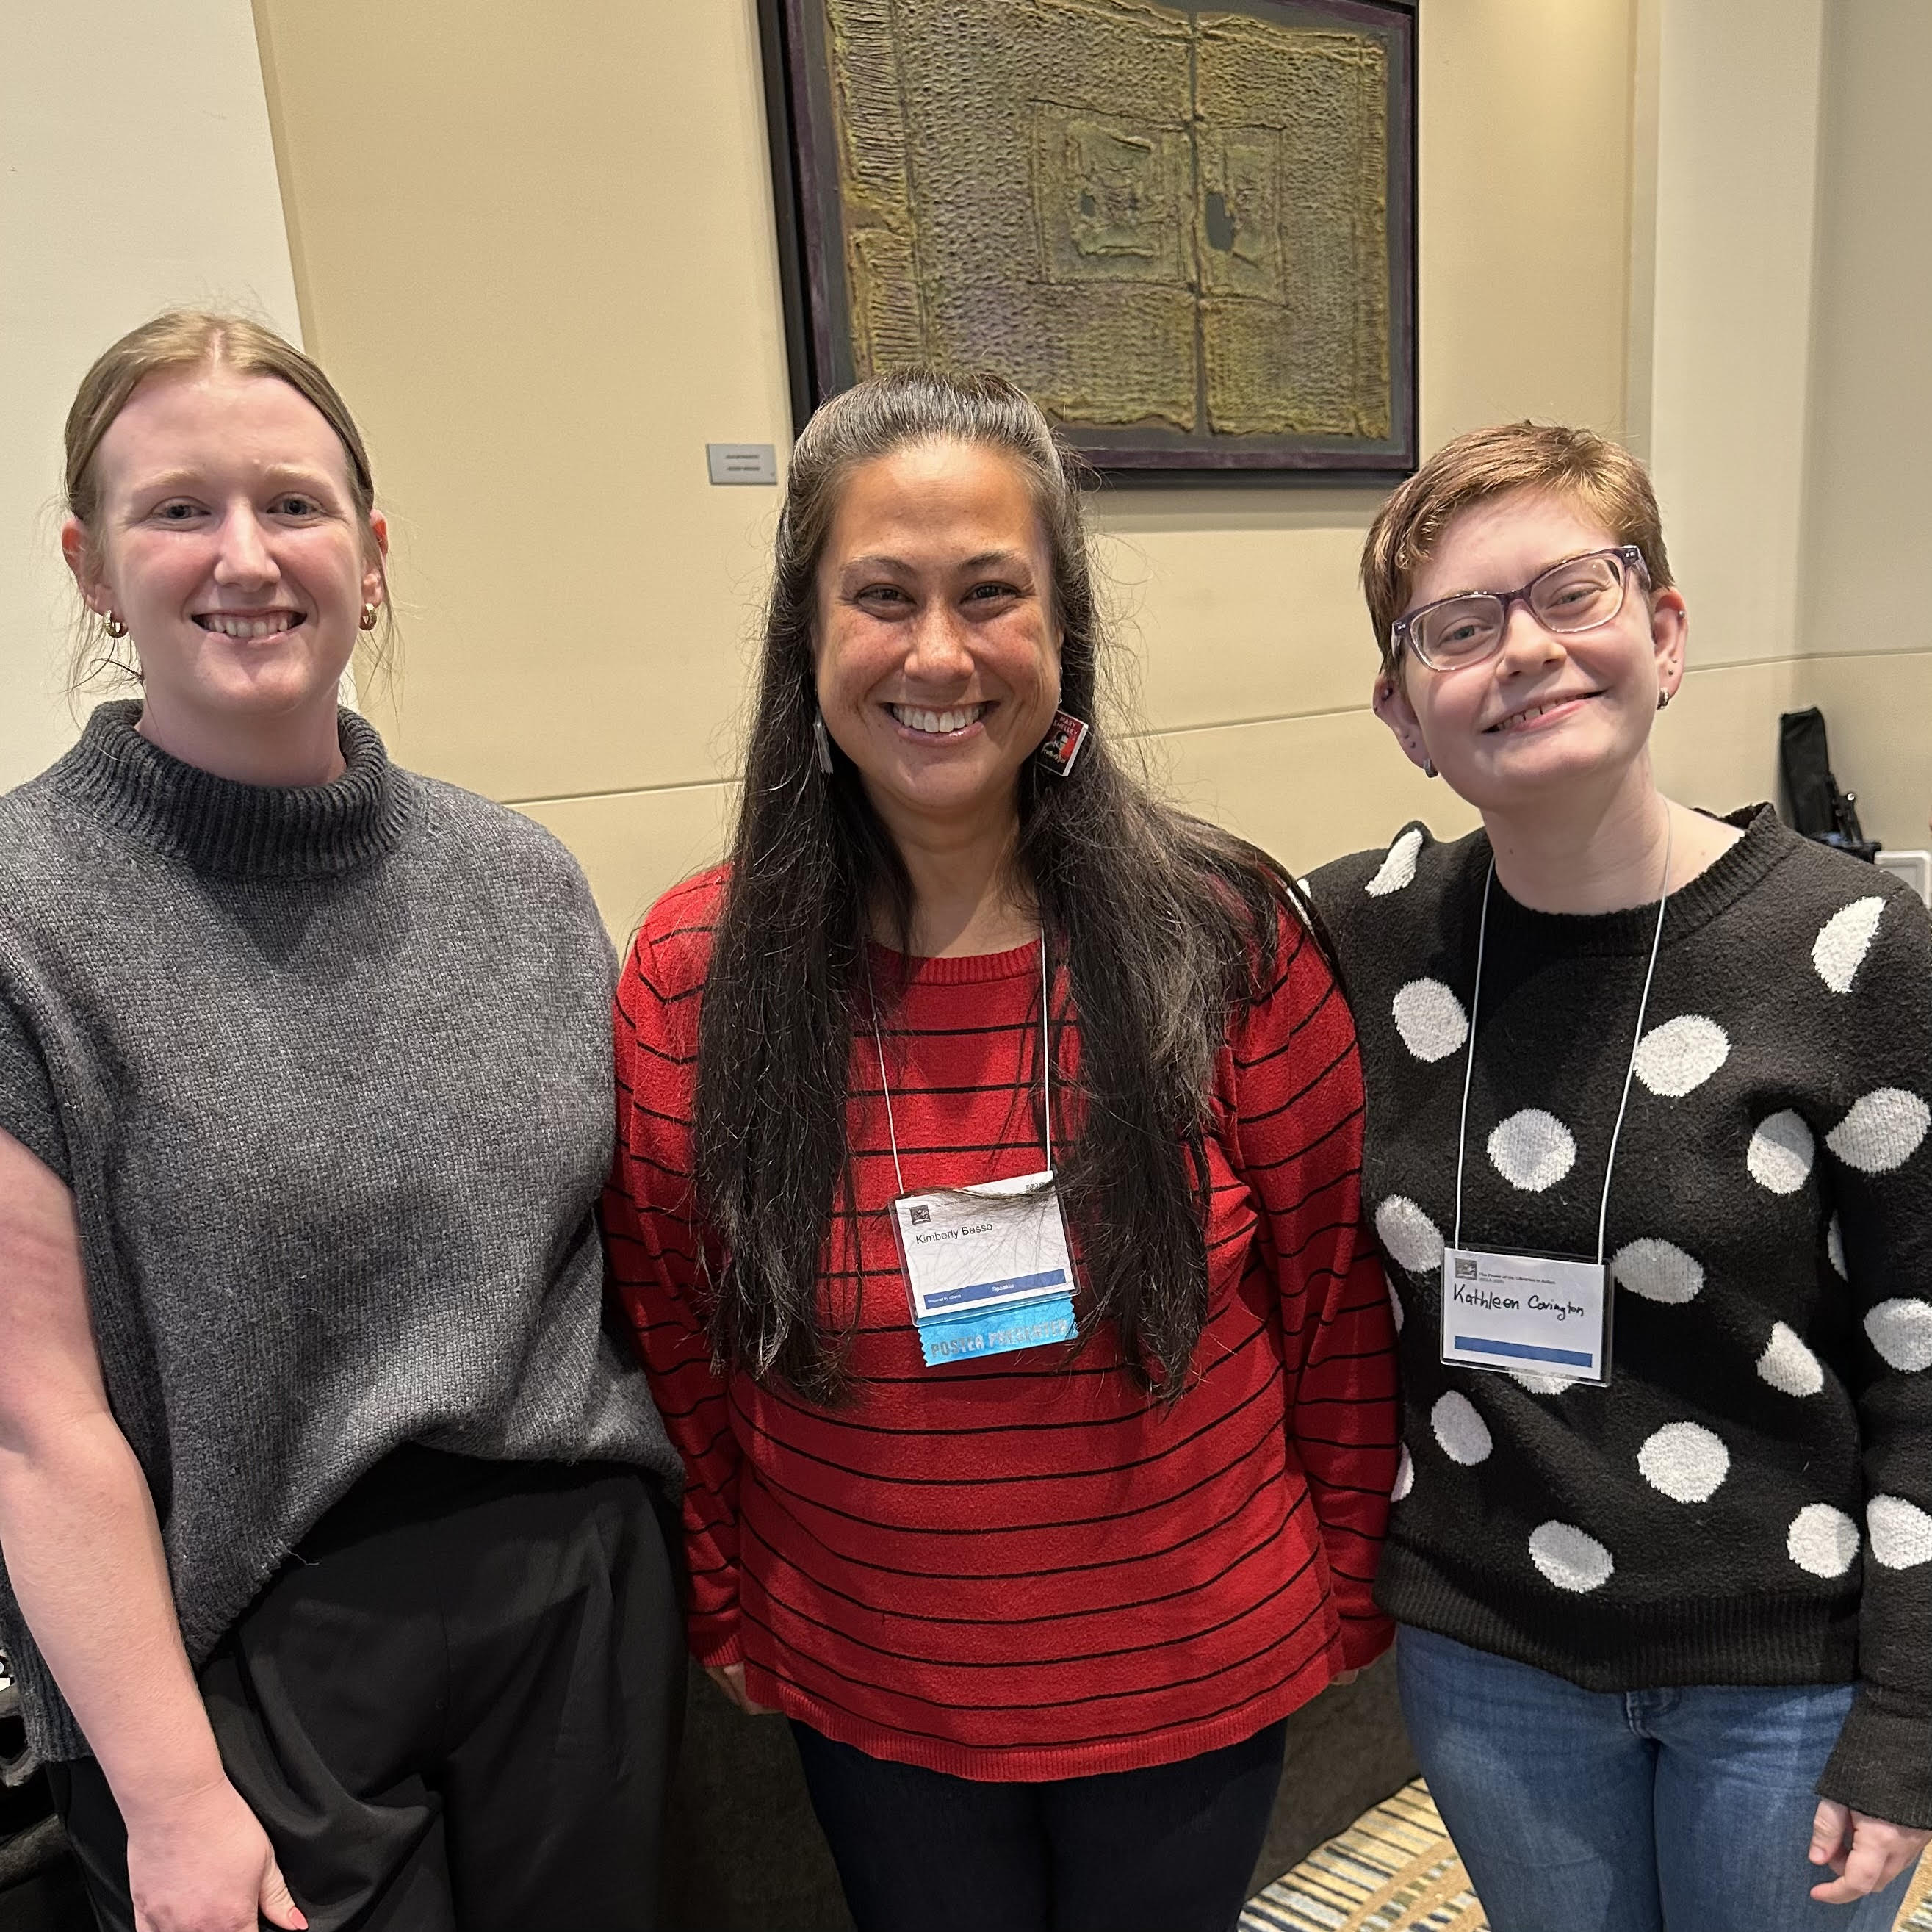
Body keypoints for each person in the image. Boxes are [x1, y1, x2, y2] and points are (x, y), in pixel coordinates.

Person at [604, 368, 1399, 1932]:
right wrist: (723, 1598)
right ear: (808, 636)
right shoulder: (696, 974)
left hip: (1192, 1665)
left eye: (990, 595)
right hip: (870, 1673)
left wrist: (1352, 1580)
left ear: (1061, 624)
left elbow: (1333, 1312)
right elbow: (682, 1345)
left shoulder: (1221, 935)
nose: (939, 655)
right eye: (881, 596)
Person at [0, 311, 685, 1932]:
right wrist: (167, 1802)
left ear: (369, 555)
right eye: (179, 510)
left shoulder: (514, 881)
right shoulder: (26, 918)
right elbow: (34, 1424)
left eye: (293, 505)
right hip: (246, 1645)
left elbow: (611, 1260)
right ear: (92, 564)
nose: (246, 556)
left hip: (576, 1597)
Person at [1309, 422, 1932, 1930]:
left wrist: (1910, 1709)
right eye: (1459, 628)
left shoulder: (1847, 947)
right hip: (1490, 1653)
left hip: (1783, 1668)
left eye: (1571, 593)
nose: (1523, 650)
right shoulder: (1355, 935)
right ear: (1405, 713)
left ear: (1660, 634)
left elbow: (1926, 1359)